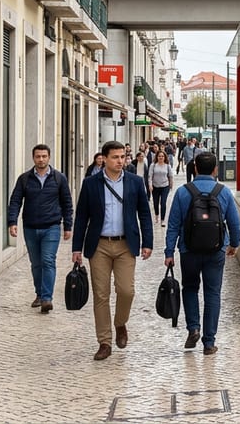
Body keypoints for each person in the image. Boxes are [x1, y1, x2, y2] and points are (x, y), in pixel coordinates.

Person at [71, 140, 154, 361]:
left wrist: (148, 242)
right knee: (101, 295)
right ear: (104, 159)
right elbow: (81, 218)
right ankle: (104, 342)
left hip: (126, 244)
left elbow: (144, 214)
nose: (120, 161)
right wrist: (76, 248)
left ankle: (120, 323)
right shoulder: (91, 184)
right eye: (115, 157)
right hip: (99, 245)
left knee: (127, 290)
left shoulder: (135, 182)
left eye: (122, 157)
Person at [164, 151, 240, 356]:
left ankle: (193, 328)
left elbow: (173, 225)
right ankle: (209, 342)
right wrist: (233, 244)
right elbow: (234, 223)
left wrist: (169, 251)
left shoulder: (183, 192)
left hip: (188, 250)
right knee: (213, 293)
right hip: (216, 250)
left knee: (190, 288)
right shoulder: (223, 192)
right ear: (216, 169)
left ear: (195, 168)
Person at [7, 144, 74, 314]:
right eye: (38, 156)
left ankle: (46, 298)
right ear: (33, 158)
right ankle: (39, 293)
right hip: (30, 227)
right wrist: (12, 222)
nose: (41, 159)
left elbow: (67, 203)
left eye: (44, 156)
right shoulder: (24, 179)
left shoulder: (59, 178)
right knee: (36, 264)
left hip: (51, 227)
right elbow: (15, 201)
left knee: (47, 261)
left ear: (49, 157)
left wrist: (68, 225)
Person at [149, 150, 175, 226]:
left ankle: (163, 220)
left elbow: (170, 176)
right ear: (157, 157)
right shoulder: (153, 165)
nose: (161, 157)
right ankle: (156, 215)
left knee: (163, 203)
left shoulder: (167, 166)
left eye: (162, 156)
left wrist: (171, 184)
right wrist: (150, 185)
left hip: (165, 186)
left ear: (165, 157)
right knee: (155, 202)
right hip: (155, 186)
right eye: (159, 156)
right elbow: (150, 176)